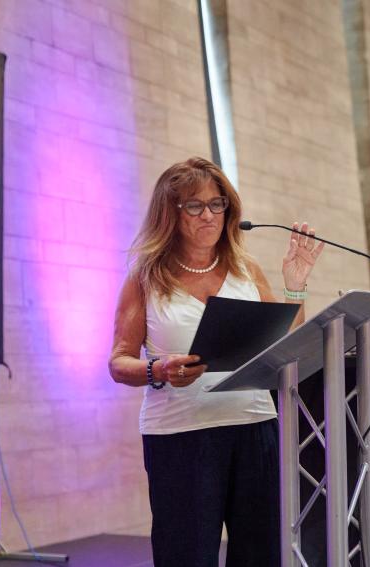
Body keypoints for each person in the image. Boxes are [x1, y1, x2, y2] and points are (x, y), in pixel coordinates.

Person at [108, 157, 324, 567]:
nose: (208, 214)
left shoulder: (247, 269)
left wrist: (295, 288)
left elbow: (285, 345)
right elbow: (118, 362)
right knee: (186, 556)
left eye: (217, 204)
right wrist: (160, 370)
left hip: (255, 428)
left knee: (262, 555)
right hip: (182, 437)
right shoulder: (146, 277)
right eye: (194, 205)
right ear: (169, 212)